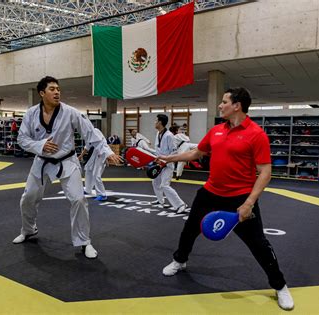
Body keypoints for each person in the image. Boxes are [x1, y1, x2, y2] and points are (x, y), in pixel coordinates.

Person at [159, 88, 294, 310]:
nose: (220, 106)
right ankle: (180, 260)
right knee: (189, 229)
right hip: (210, 192)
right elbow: (196, 153)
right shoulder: (216, 131)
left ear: (237, 105)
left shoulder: (256, 134)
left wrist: (249, 203)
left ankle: (280, 286)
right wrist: (169, 158)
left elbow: (265, 172)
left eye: (224, 102)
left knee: (258, 244)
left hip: (240, 198)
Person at [12, 76, 122, 259]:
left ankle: (84, 241)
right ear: (42, 93)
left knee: (78, 199)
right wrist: (40, 145)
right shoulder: (31, 114)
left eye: (58, 89)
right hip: (41, 161)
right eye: (52, 89)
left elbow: (91, 133)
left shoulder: (70, 112)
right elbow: (22, 139)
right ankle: (28, 230)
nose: (57, 92)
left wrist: (107, 151)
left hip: (67, 161)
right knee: (28, 198)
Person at [149, 114, 188, 213]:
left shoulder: (169, 135)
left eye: (156, 120)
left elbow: (174, 151)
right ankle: (160, 200)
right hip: (159, 163)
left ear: (160, 122)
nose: (154, 122)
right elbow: (157, 149)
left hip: (168, 164)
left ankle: (181, 205)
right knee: (155, 182)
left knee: (164, 185)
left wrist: (166, 161)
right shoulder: (158, 134)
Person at [78, 128, 111, 201]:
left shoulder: (95, 131)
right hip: (94, 154)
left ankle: (102, 194)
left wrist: (106, 157)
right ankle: (88, 189)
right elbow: (87, 147)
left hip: (101, 153)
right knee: (88, 170)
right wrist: (81, 155)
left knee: (96, 175)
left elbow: (103, 144)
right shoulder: (86, 134)